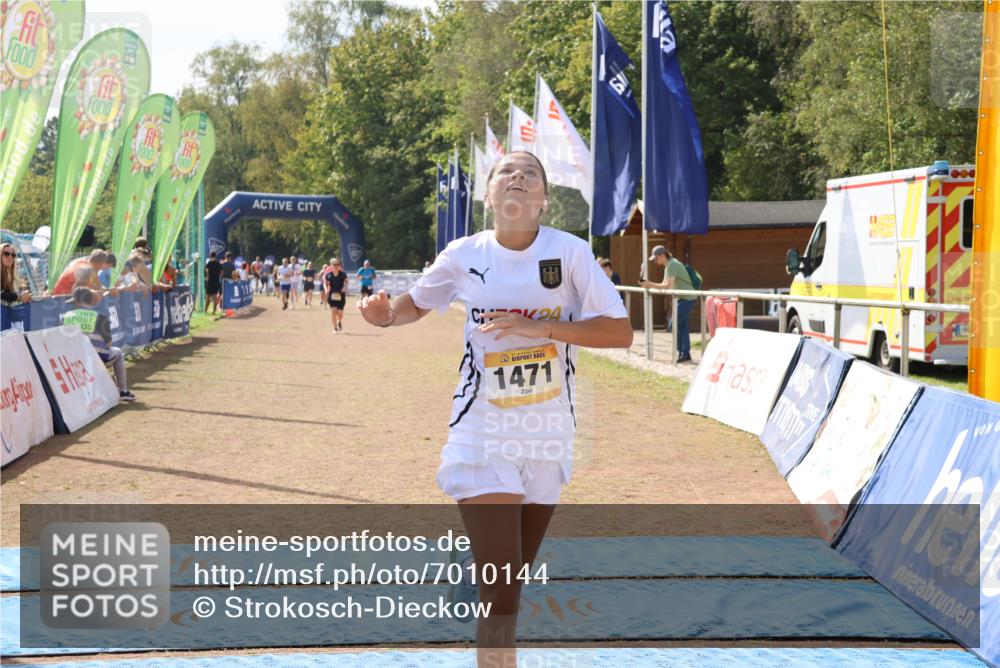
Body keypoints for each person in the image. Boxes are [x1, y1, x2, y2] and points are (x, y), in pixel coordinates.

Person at [358, 151, 632, 667]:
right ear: (489, 196)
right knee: (502, 594)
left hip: (548, 433)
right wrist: (384, 316)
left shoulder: (570, 254)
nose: (518, 177)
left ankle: (476, 572)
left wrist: (542, 328)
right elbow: (415, 302)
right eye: (506, 171)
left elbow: (619, 332)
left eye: (531, 173)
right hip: (481, 429)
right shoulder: (463, 253)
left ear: (544, 200)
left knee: (511, 584)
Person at [66, 287, 135, 402]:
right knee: (117, 352)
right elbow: (108, 344)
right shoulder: (100, 317)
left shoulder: (66, 316)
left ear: (77, 302)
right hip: (96, 359)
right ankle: (123, 391)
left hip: (72, 360)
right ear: (91, 301)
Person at [641, 245, 695, 362]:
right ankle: (684, 353)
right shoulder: (670, 265)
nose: (655, 261)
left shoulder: (672, 265)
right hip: (685, 298)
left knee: (673, 325)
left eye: (656, 258)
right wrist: (649, 284)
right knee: (682, 325)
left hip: (686, 298)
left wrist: (649, 284)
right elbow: (664, 286)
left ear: (662, 255)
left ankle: (683, 352)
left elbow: (667, 286)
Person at [324, 258, 348, 333]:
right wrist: (326, 290)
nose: (336, 266)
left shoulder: (343, 274)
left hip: (341, 295)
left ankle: (339, 322)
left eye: (338, 264)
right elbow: (325, 283)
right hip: (332, 295)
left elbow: (346, 282)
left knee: (340, 313)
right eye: (334, 264)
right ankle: (335, 328)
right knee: (334, 311)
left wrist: (344, 287)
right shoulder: (328, 275)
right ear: (331, 266)